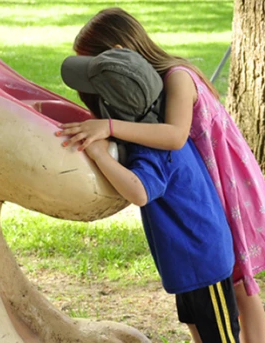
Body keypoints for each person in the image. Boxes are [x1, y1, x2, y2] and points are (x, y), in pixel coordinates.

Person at [57, 8, 265, 343]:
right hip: (199, 184)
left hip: (221, 177)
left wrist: (106, 128)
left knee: (237, 280)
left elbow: (175, 135)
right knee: (223, 290)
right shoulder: (151, 99)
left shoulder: (175, 78)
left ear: (119, 55)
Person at [60, 48, 240, 343]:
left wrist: (99, 154)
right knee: (200, 330)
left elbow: (139, 192)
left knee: (220, 338)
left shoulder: (154, 149)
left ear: (108, 109)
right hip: (190, 260)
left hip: (204, 260)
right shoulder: (154, 128)